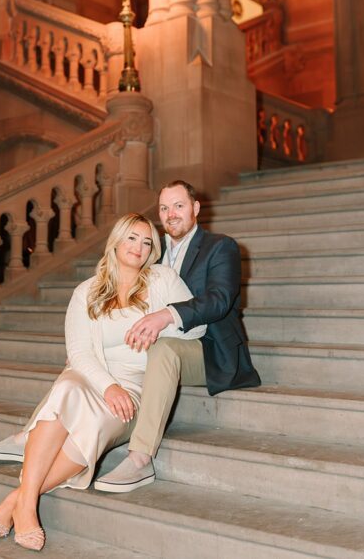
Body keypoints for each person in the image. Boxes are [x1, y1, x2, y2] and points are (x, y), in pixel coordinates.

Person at [0, 214, 204, 551]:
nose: (139, 248)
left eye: (146, 242)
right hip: (91, 378)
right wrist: (108, 387)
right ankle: (26, 507)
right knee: (66, 390)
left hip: (138, 385)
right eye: (131, 238)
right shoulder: (86, 291)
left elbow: (198, 327)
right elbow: (80, 352)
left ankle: (18, 499)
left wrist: (161, 322)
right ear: (115, 242)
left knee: (95, 421)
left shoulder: (163, 278)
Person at [92, 179, 261, 492]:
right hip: (158, 347)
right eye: (164, 208)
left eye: (179, 206)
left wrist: (167, 314)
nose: (170, 214)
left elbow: (220, 300)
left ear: (195, 209)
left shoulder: (221, 246)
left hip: (209, 349)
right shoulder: (150, 255)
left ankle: (141, 458)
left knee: (164, 350)